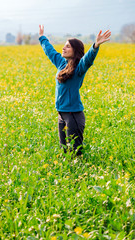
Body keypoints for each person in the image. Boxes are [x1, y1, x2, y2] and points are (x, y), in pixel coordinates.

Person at [39, 25, 111, 156]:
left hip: (73, 116)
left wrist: (95, 46)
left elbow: (87, 59)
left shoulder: (79, 68)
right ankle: (69, 174)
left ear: (75, 50)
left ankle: (79, 173)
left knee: (75, 152)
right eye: (64, 45)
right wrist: (42, 37)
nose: (63, 48)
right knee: (64, 150)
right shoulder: (61, 64)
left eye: (68, 46)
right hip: (61, 115)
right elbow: (50, 52)